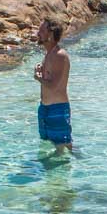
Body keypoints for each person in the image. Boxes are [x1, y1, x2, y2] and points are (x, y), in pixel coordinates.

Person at [34, 16, 72, 154]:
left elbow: (54, 86)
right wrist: (41, 74)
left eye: (41, 30)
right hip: (45, 108)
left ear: (50, 34)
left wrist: (38, 78)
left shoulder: (60, 55)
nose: (38, 33)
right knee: (48, 145)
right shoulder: (49, 55)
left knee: (64, 148)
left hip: (58, 109)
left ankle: (80, 164)